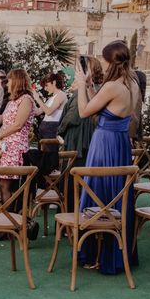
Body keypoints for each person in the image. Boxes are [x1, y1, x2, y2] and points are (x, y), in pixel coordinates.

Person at [74, 40, 140, 274]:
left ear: (111, 61)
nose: (101, 62)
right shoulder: (131, 83)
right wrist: (92, 87)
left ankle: (95, 254)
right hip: (120, 144)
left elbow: (84, 112)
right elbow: (105, 109)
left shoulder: (112, 86)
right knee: (115, 196)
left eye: (103, 59)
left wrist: (81, 85)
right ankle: (112, 253)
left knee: (98, 194)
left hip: (104, 145)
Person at [58, 55, 102, 211]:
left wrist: (61, 130)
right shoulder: (88, 91)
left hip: (79, 142)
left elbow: (73, 116)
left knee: (74, 181)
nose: (76, 75)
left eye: (80, 70)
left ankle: (72, 215)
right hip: (79, 141)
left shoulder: (83, 93)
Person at [0, 69, 35, 204]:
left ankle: (11, 217)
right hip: (6, 147)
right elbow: (5, 121)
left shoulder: (26, 99)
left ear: (17, 81)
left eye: (9, 81)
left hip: (16, 147)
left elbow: (18, 125)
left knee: (8, 184)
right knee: (2, 183)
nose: (6, 84)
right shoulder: (12, 100)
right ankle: (7, 215)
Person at [33, 72, 67, 147]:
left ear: (54, 82)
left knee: (49, 155)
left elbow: (48, 111)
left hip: (52, 128)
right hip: (44, 128)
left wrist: (37, 98)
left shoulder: (61, 95)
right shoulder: (51, 98)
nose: (45, 88)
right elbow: (37, 112)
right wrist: (32, 99)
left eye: (46, 85)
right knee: (42, 155)